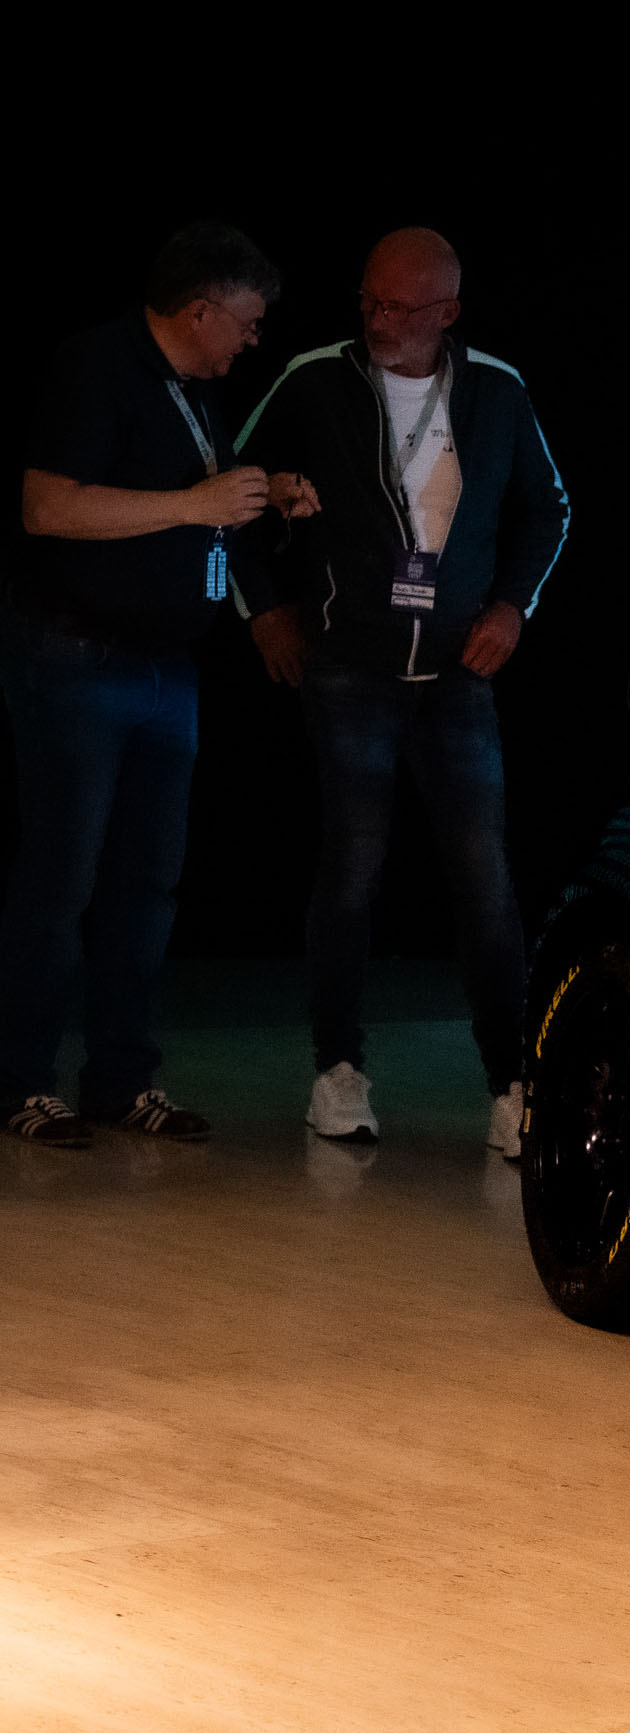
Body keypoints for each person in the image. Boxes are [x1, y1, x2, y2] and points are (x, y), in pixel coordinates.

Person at [238, 227, 569, 1154]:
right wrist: (265, 611)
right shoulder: (315, 377)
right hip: (350, 665)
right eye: (370, 301)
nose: (380, 320)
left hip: (459, 671)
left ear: (447, 312)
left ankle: (511, 1082)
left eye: (399, 307)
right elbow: (234, 489)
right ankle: (338, 1072)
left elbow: (549, 507)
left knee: (484, 879)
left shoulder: (497, 388)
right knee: (352, 868)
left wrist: (512, 607)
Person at [3, 222, 317, 1147]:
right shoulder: (96, 366)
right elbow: (46, 507)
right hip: (79, 658)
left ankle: (122, 1079)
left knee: (148, 887)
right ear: (200, 310)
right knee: (61, 882)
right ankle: (22, 1081)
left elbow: (193, 503)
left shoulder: (194, 388)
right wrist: (193, 504)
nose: (254, 338)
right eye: (248, 320)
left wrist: (258, 494)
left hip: (165, 665)